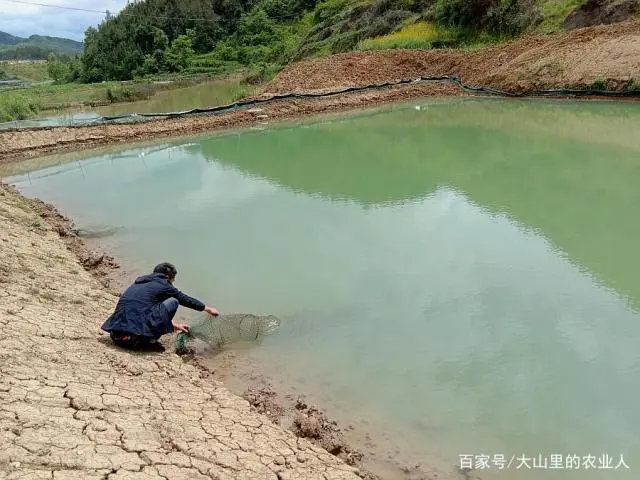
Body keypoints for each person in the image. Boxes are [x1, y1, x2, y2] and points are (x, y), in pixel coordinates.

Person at [101, 262, 219, 352]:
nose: (172, 283)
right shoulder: (164, 285)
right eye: (173, 280)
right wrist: (208, 309)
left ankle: (144, 337)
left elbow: (142, 310)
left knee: (143, 306)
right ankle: (150, 340)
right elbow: (184, 299)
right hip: (133, 341)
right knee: (173, 301)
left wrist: (174, 325)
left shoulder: (139, 283)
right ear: (167, 277)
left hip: (116, 337)